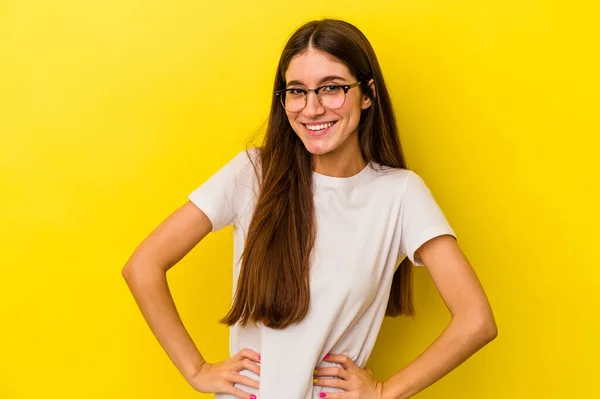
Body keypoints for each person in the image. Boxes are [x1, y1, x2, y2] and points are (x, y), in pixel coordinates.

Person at [122, 18, 497, 399]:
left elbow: (476, 320)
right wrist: (197, 370)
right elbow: (143, 265)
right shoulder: (254, 173)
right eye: (297, 91)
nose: (312, 108)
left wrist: (384, 391)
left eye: (332, 88)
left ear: (367, 94)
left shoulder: (400, 194)